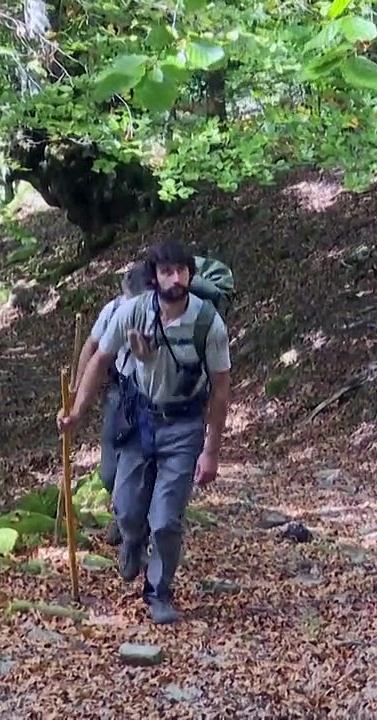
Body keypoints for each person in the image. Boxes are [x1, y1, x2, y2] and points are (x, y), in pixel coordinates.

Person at [58, 239, 231, 625]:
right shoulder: (133, 312)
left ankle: (159, 592)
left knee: (167, 519)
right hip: (138, 420)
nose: (176, 278)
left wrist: (211, 450)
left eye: (182, 270)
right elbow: (101, 357)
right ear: (154, 278)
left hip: (185, 425)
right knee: (125, 506)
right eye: (167, 271)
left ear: (190, 274)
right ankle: (132, 542)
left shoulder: (208, 323)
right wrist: (76, 412)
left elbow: (220, 388)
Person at [72, 264, 148, 546]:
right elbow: (92, 349)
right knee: (108, 471)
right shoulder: (114, 310)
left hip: (156, 398)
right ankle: (125, 513)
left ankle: (133, 518)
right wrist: (78, 392)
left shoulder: (164, 311)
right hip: (121, 392)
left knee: (143, 461)